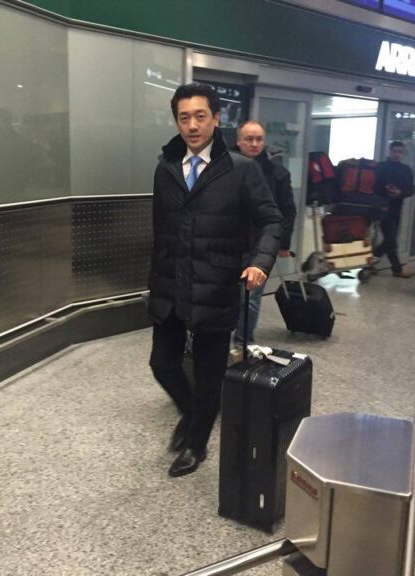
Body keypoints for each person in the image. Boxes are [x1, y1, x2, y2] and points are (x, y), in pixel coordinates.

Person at [147, 84, 282, 477]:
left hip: (217, 283)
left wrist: (260, 261)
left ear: (217, 118)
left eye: (200, 116)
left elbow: (271, 220)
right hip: (171, 282)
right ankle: (194, 415)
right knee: (162, 363)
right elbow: (161, 228)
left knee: (208, 374)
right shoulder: (166, 168)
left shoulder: (241, 169)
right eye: (184, 117)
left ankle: (197, 443)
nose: (192, 125)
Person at [231, 121, 296, 353]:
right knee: (221, 295)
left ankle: (243, 342)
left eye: (259, 139)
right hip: (226, 242)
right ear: (239, 141)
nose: (254, 144)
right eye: (249, 139)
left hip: (260, 246)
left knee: (251, 296)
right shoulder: (222, 167)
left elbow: (287, 210)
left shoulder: (277, 173)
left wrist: (283, 243)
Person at [370, 141, 414, 278]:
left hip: (396, 207)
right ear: (389, 151)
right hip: (382, 207)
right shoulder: (380, 168)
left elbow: (410, 189)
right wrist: (386, 190)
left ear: (403, 153)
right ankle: (396, 268)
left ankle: (371, 260)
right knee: (390, 239)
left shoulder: (406, 169)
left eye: (400, 152)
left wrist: (400, 193)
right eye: (394, 151)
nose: (397, 155)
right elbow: (374, 186)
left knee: (391, 239)